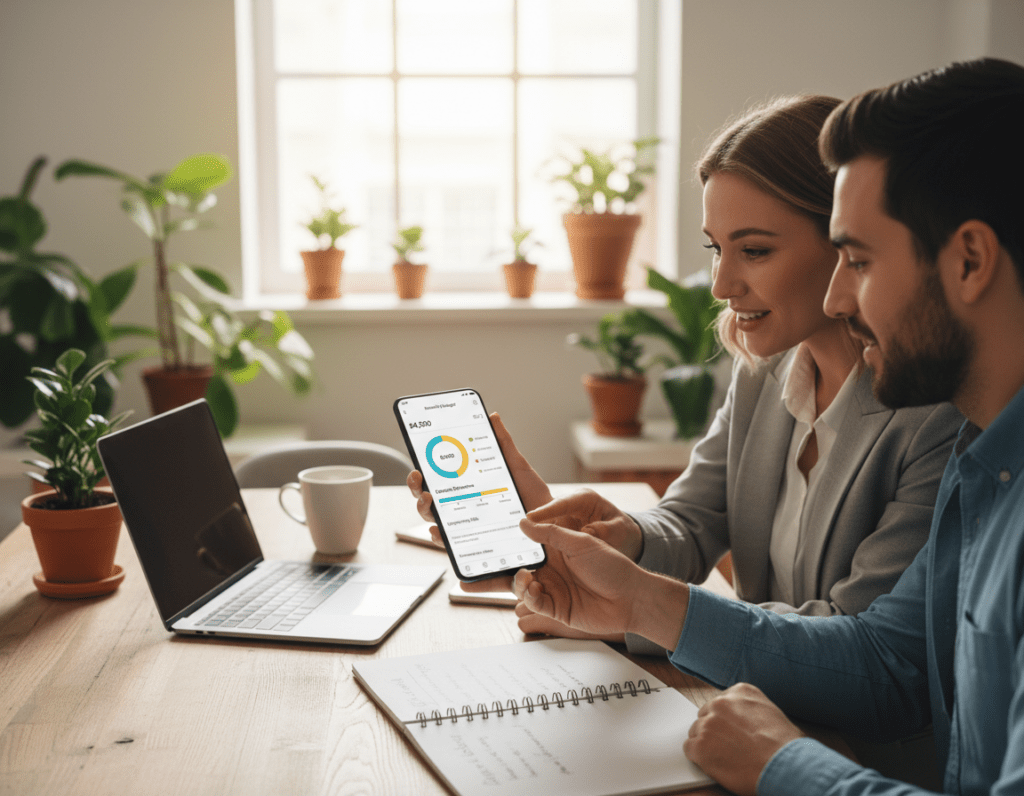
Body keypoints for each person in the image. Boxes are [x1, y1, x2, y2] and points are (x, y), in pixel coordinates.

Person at [509, 57, 1024, 795]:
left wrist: (782, 764)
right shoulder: (988, 458)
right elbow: (892, 661)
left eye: (859, 259)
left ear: (971, 258)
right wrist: (626, 585)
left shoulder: (951, 428)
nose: (841, 296)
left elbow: (873, 670)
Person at [408, 96, 962, 656]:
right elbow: (694, 519)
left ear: (845, 242)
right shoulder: (764, 375)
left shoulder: (932, 416)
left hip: (841, 737)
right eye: (716, 249)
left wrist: (628, 618)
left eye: (754, 249)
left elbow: (861, 643)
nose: (721, 285)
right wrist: (616, 536)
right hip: (754, 707)